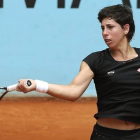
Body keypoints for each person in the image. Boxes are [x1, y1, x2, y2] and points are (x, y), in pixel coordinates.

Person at [16, 4, 140, 140]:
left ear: (126, 28)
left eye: (110, 27)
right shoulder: (95, 60)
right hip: (106, 136)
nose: (105, 33)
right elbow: (73, 91)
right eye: (102, 28)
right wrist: (37, 84)